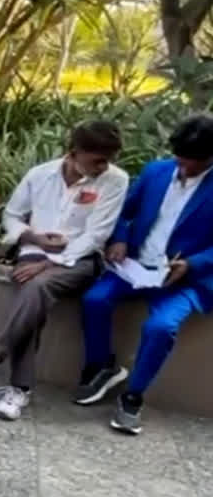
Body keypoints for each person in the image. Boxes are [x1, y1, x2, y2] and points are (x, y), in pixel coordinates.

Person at [0, 121, 128, 420]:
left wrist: (50, 263)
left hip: (81, 259)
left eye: (109, 159)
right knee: (33, 293)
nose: (104, 166)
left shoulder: (115, 180)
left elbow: (96, 236)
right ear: (74, 151)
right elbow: (12, 216)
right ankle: (18, 390)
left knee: (36, 286)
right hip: (34, 251)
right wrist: (32, 238)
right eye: (97, 160)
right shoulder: (41, 175)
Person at [72, 114, 213, 435]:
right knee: (95, 299)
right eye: (180, 158)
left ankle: (133, 396)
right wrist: (120, 238)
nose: (183, 166)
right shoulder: (156, 171)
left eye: (192, 162)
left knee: (161, 327)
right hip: (134, 266)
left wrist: (192, 265)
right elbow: (125, 211)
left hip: (184, 278)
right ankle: (101, 366)